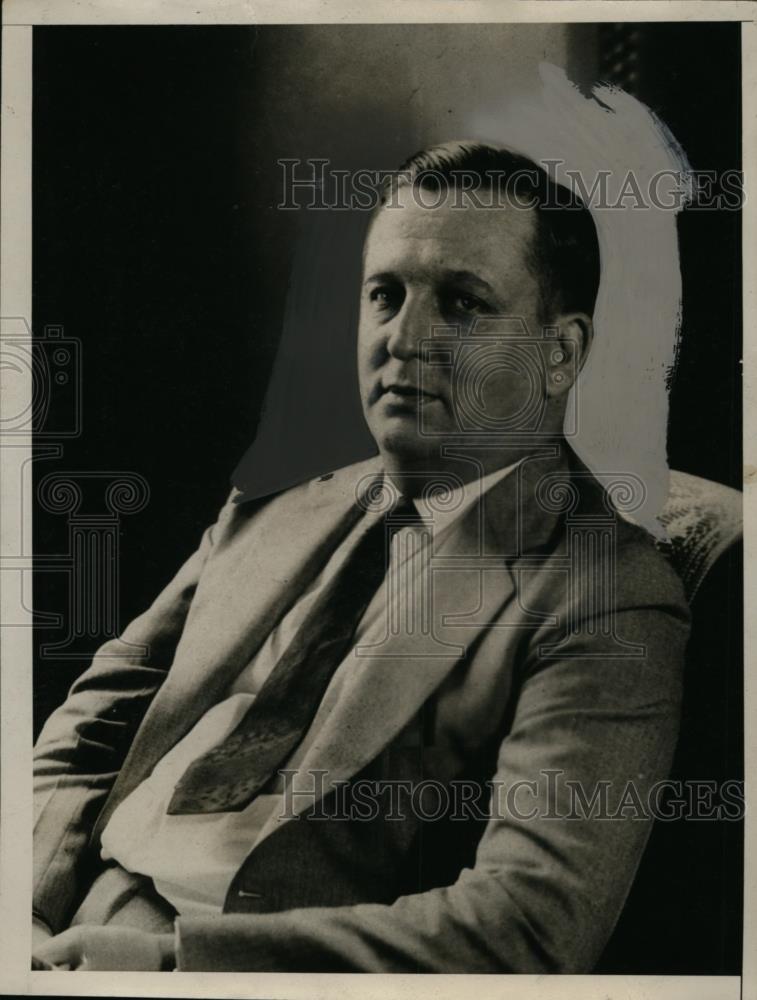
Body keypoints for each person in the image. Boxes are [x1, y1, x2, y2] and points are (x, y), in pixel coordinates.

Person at [32, 142, 689, 972]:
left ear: (559, 354)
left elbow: (525, 927)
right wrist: (29, 904)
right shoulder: (273, 509)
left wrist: (171, 965)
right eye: (384, 295)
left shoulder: (603, 591)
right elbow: (87, 735)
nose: (403, 339)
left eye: (460, 303)